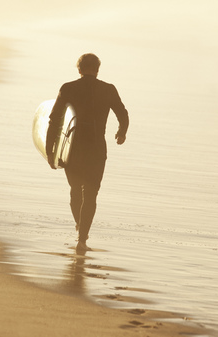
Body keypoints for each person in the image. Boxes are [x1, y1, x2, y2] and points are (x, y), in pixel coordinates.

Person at [46, 53, 129, 252]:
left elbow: (54, 120)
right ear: (98, 69)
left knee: (76, 191)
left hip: (73, 150)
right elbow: (123, 114)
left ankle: (79, 227)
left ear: (79, 69)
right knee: (91, 195)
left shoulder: (68, 88)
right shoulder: (108, 90)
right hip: (97, 150)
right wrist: (121, 133)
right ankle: (82, 240)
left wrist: (50, 151)